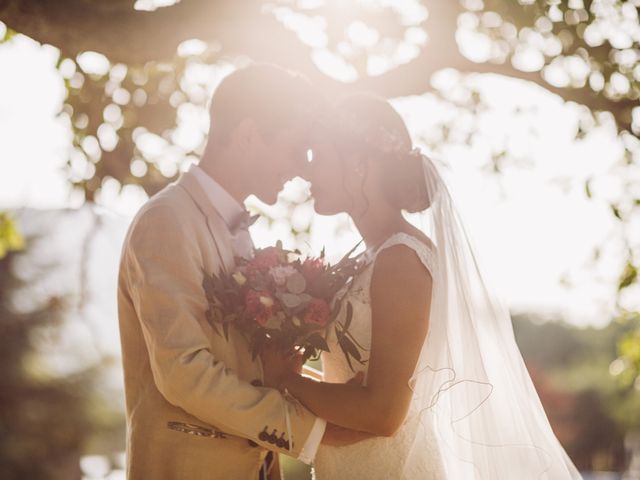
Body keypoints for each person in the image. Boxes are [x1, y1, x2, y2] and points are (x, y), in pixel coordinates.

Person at [261, 93, 584, 479]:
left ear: (359, 164)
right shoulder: (373, 257)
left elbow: (382, 412)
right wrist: (286, 377)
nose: (307, 172)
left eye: (320, 157)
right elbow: (347, 390)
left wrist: (284, 381)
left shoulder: (401, 260)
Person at [118, 63, 335, 480]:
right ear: (249, 134)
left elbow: (239, 364)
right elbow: (184, 372)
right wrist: (308, 430)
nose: (302, 167)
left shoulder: (235, 229)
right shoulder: (167, 219)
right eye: (295, 148)